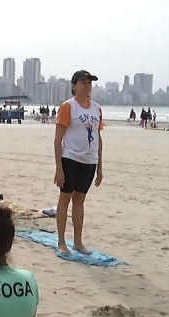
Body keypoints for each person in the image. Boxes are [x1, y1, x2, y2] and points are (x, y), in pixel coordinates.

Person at [53, 70, 103, 255]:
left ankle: (78, 242)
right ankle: (61, 241)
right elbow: (58, 139)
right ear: (74, 86)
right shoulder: (68, 106)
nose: (87, 86)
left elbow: (98, 136)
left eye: (89, 83)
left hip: (89, 160)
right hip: (70, 158)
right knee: (65, 197)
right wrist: (59, 168)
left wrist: (100, 166)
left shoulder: (96, 108)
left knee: (80, 199)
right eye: (83, 82)